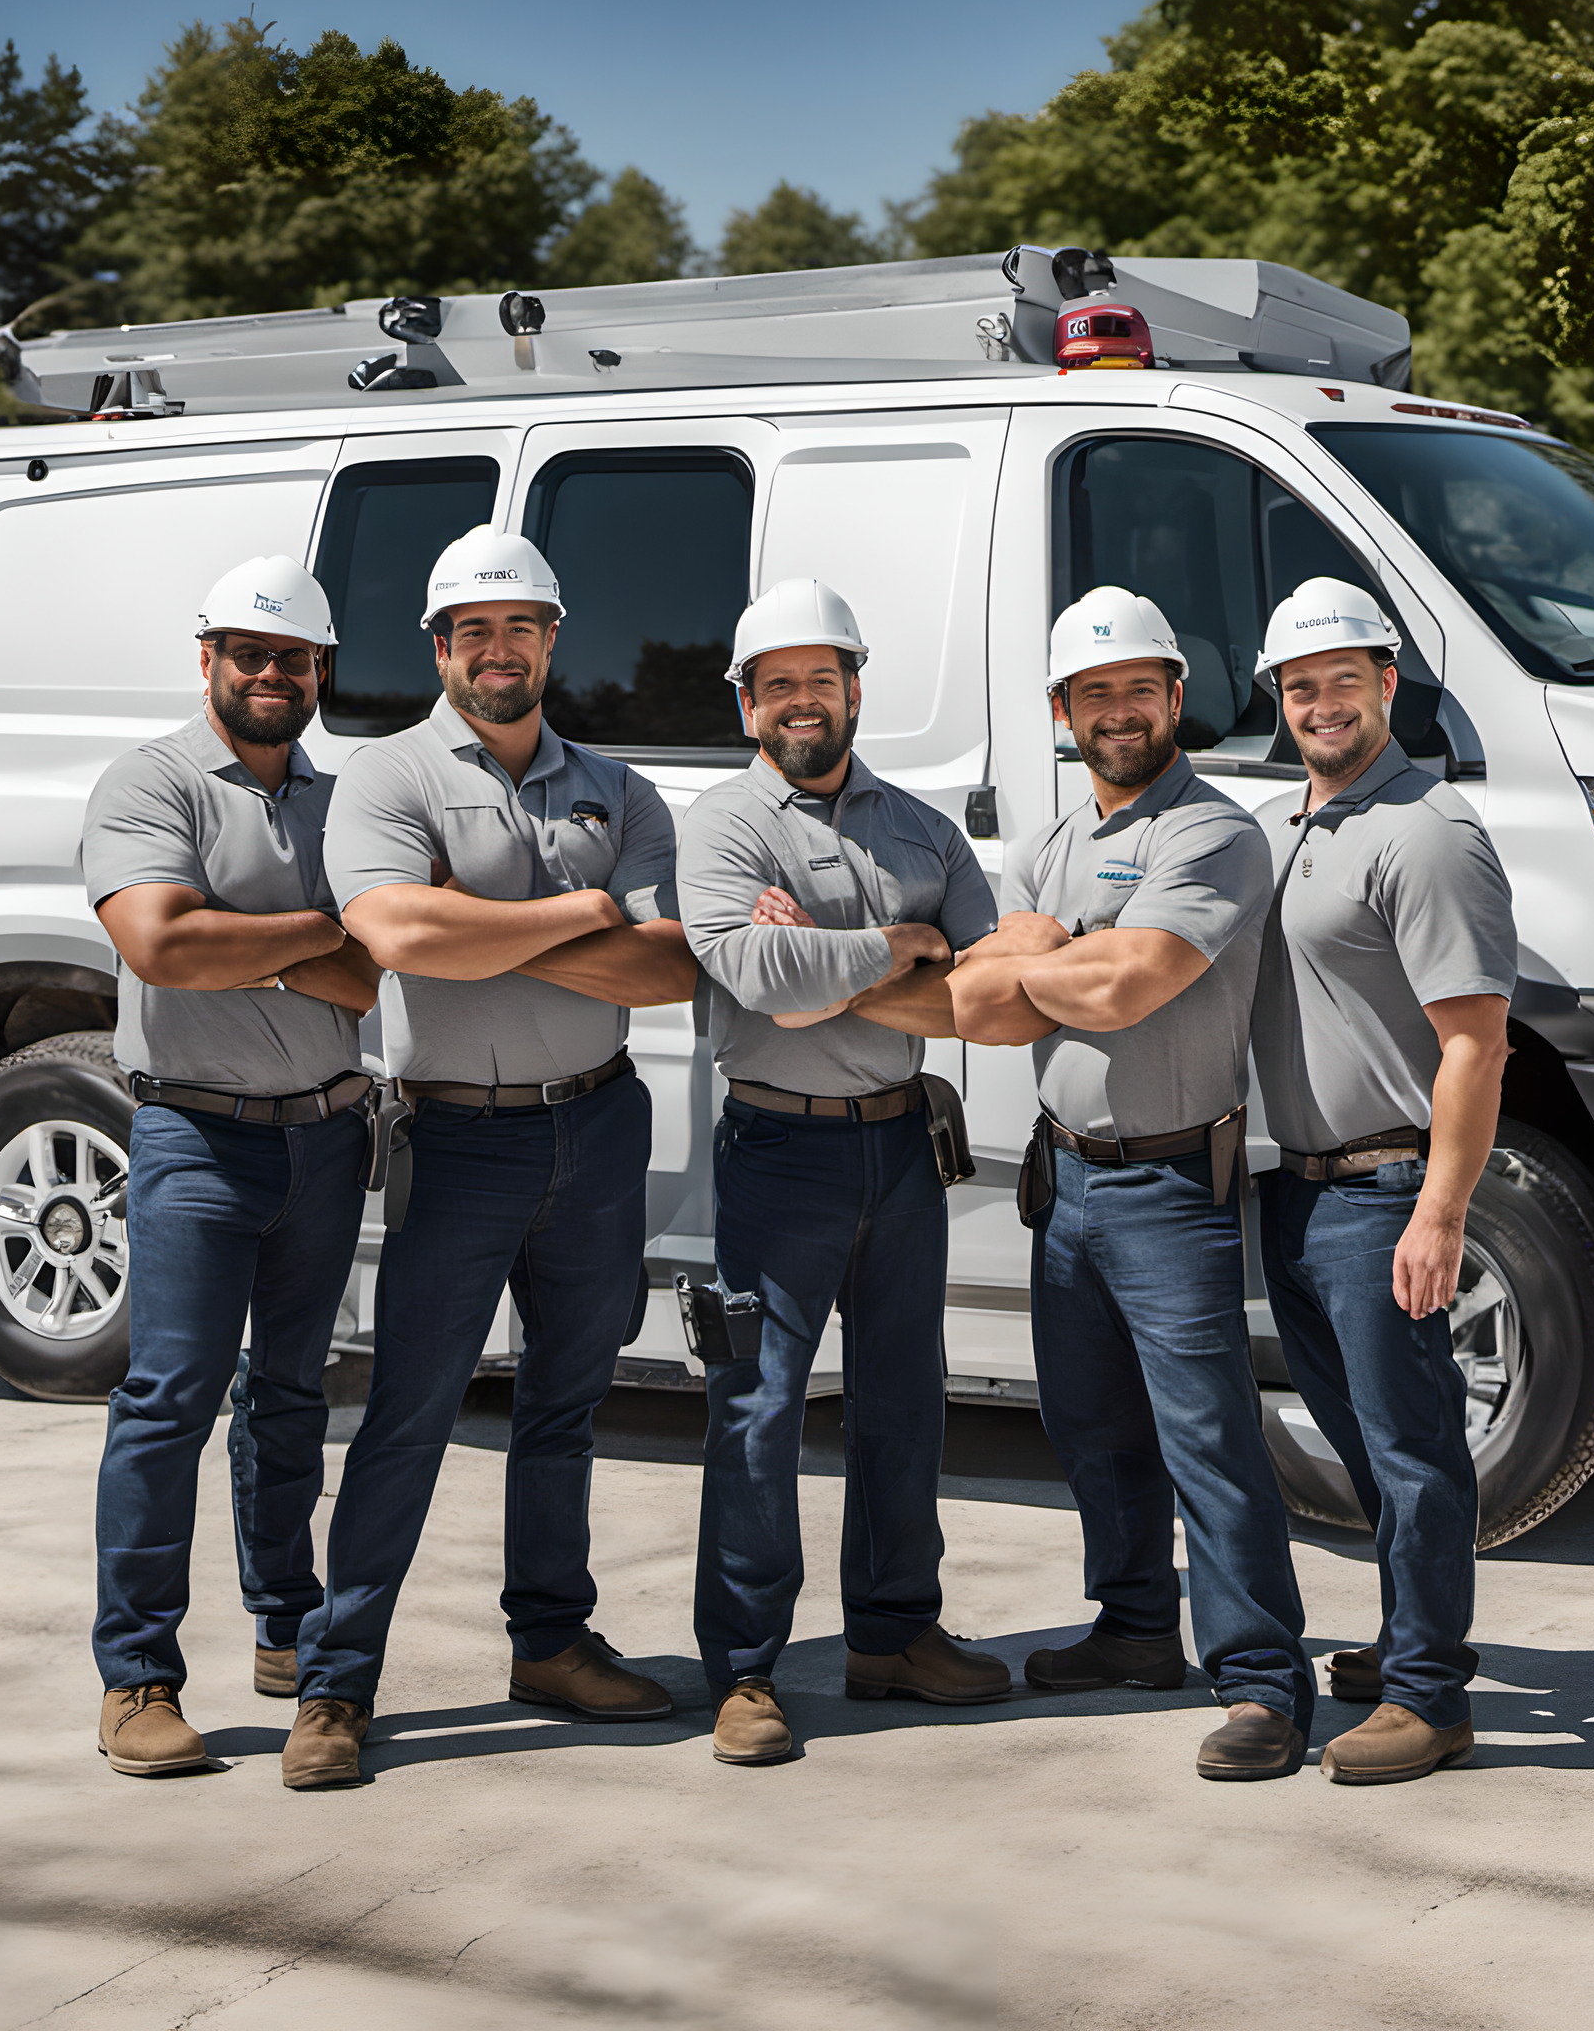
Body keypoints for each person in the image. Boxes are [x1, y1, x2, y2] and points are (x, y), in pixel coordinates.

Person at [289, 525, 696, 1789]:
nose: (499, 646)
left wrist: (484, 930)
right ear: (439, 645)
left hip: (598, 1120)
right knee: (409, 1410)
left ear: (551, 638)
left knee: (566, 1407)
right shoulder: (385, 775)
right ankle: (335, 1681)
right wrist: (580, 912)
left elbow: (668, 964)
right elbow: (397, 929)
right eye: (474, 628)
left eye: (520, 624)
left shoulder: (617, 787)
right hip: (455, 1133)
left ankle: (551, 1640)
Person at [949, 585, 1314, 1782]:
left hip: (1166, 1181)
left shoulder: (1211, 833)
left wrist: (1046, 951)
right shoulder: (1046, 844)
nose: (1119, 711)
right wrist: (1047, 952)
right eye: (1094, 692)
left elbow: (1125, 986)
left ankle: (1260, 1677)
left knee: (1206, 1437)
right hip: (1065, 1182)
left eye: (1139, 688)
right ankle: (1136, 1627)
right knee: (1092, 1430)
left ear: (1176, 698)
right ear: (1061, 710)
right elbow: (992, 1013)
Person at [677, 577, 1011, 1767]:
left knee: (901, 1400)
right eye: (777, 684)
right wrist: (895, 943)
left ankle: (891, 1633)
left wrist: (825, 957)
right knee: (759, 1410)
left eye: (822, 677)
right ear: (746, 705)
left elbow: (986, 987)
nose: (801, 701)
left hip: (899, 1141)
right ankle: (746, 1670)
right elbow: (756, 978)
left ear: (854, 689)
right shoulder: (722, 825)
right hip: (779, 1149)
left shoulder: (920, 827)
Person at [82, 554, 381, 1776]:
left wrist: (240, 940)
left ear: (320, 672)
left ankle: (282, 1620)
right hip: (195, 1135)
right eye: (249, 652)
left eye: (294, 656)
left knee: (294, 1392)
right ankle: (138, 1674)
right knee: (169, 1400)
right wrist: (314, 934)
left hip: (326, 1132)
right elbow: (156, 939)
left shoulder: (343, 800)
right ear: (207, 659)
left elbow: (376, 976)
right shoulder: (151, 780)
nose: (271, 673)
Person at [1249, 576, 1515, 1785]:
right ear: (1276, 696)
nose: (1320, 702)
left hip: (1381, 1189)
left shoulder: (1424, 828)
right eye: (1299, 684)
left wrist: (1438, 1209)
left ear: (1386, 684)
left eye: (1342, 678)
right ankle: (1408, 1634)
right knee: (1361, 1445)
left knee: (1413, 1450)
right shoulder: (1289, 824)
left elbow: (1474, 1041)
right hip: (1296, 1190)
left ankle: (1430, 1693)